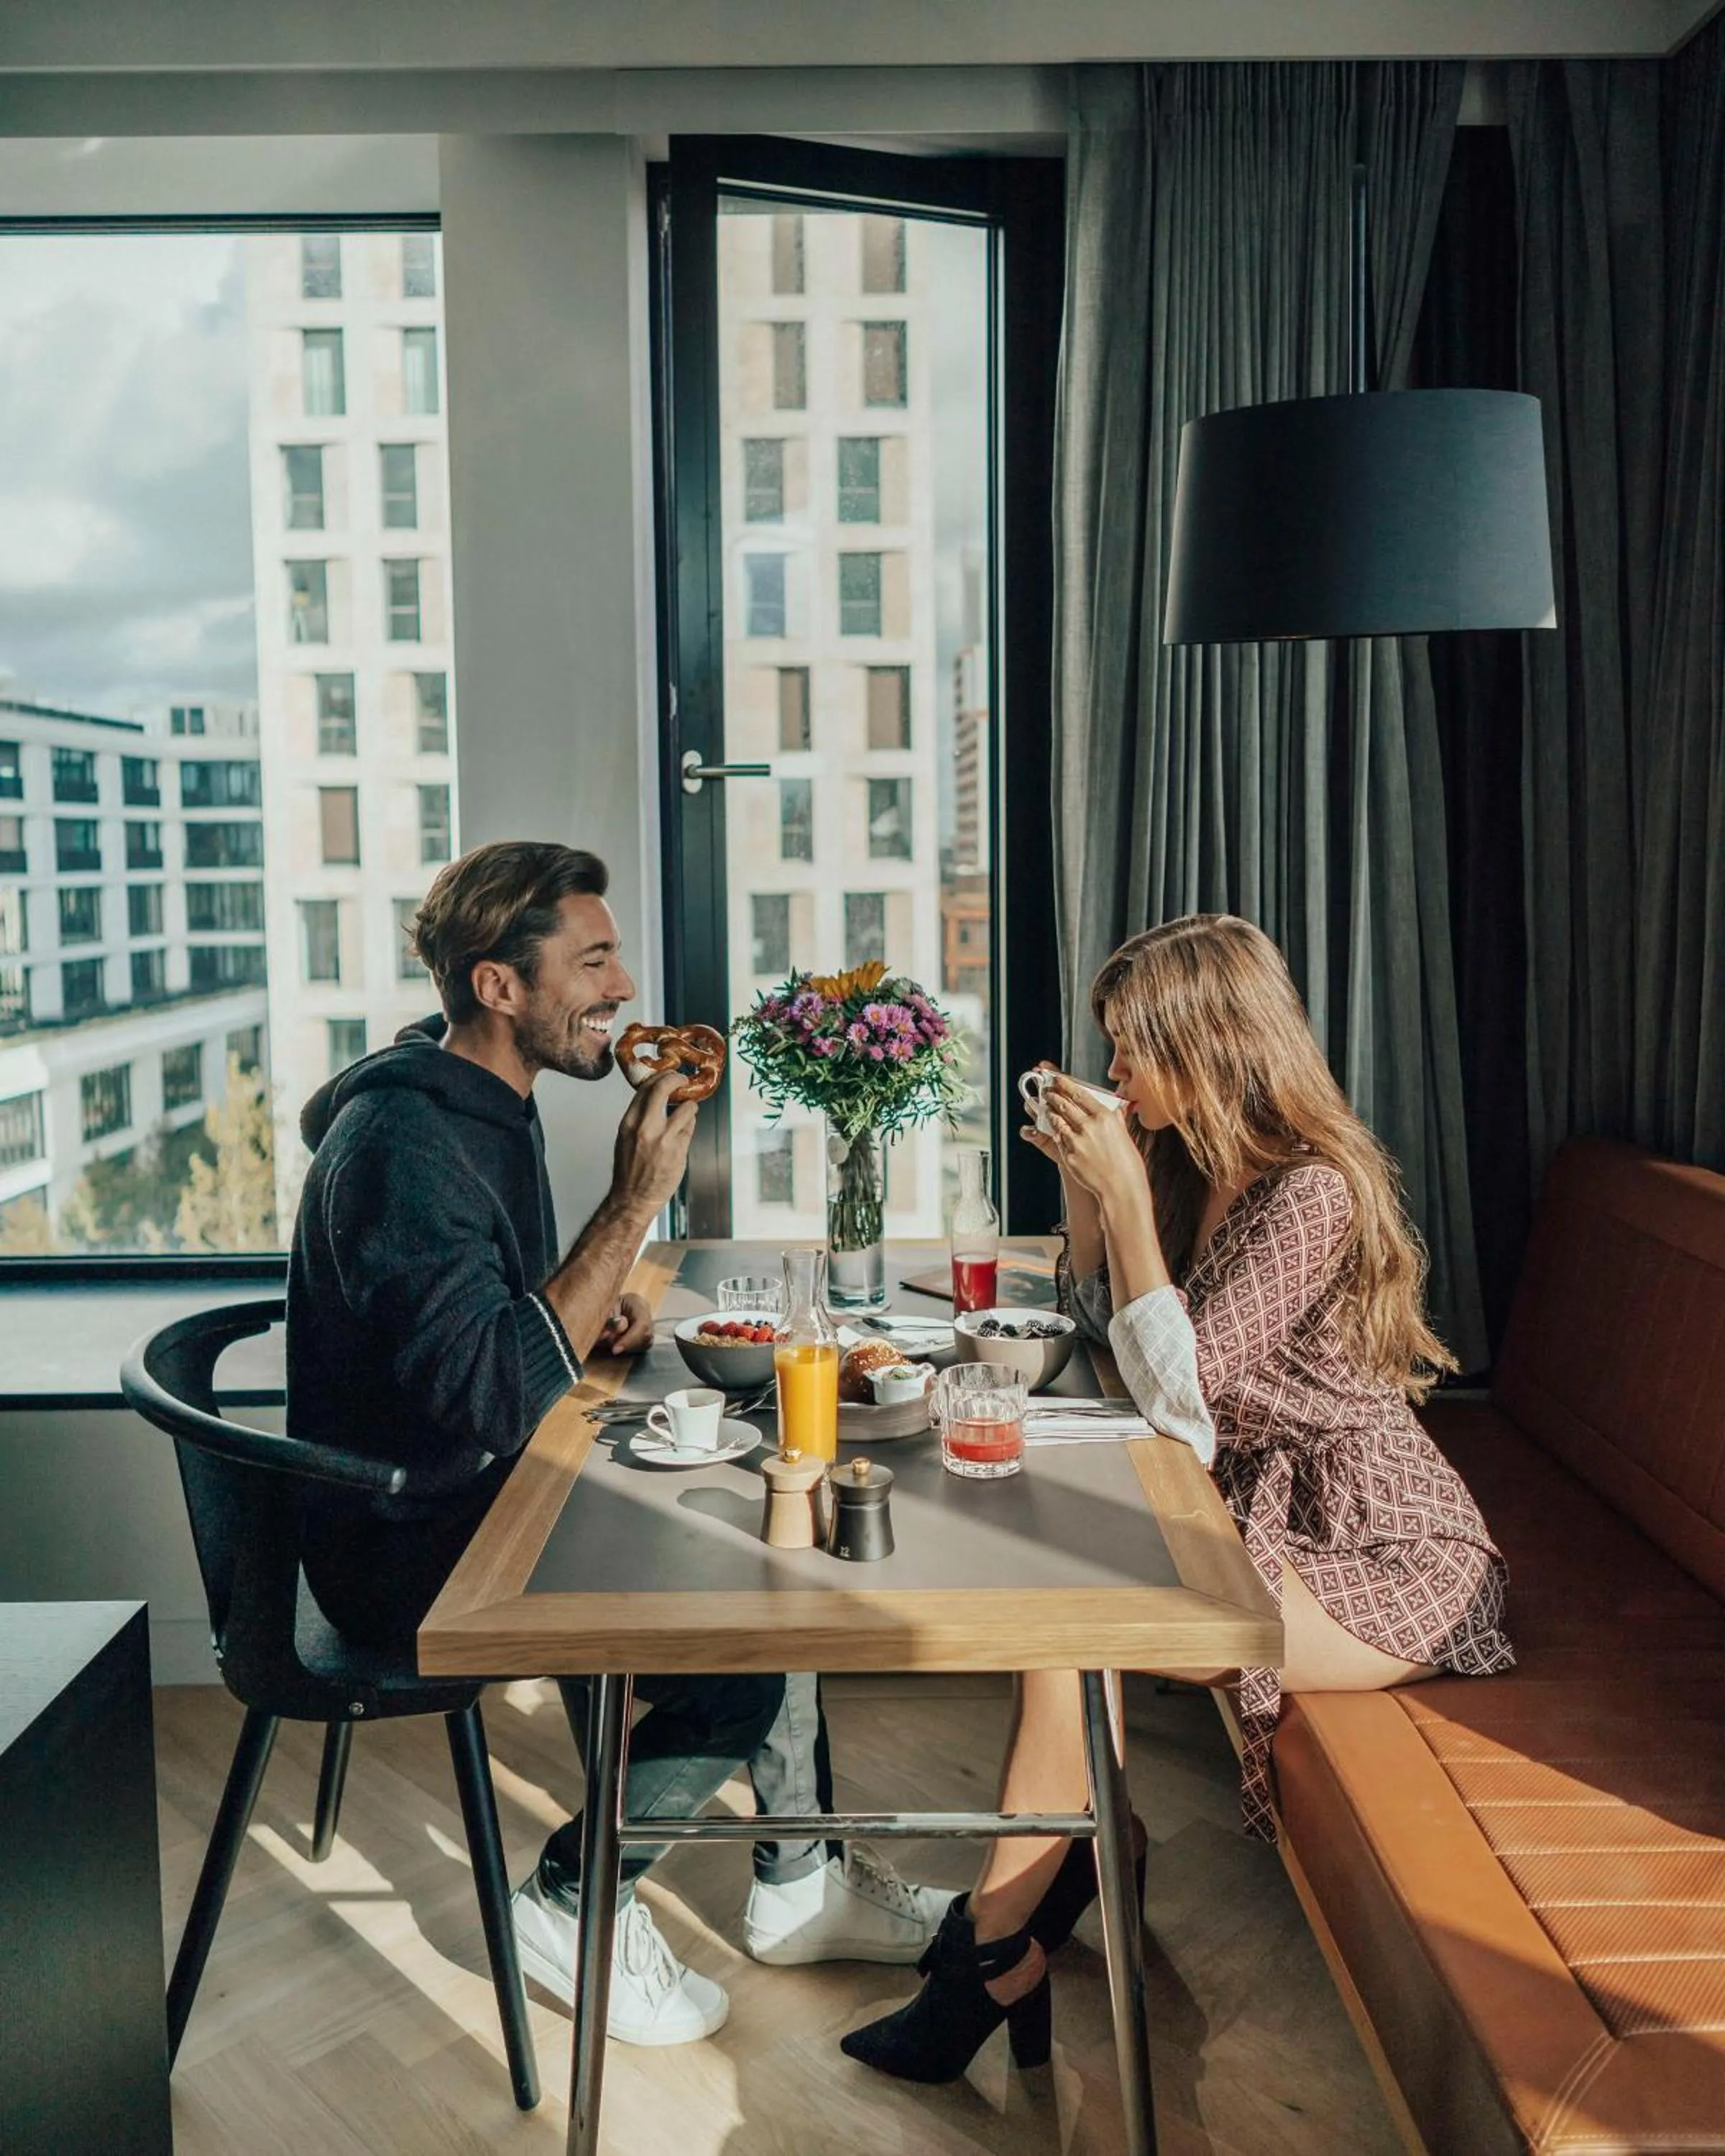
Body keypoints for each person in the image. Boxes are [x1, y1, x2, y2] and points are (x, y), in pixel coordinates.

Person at [288, 839, 948, 2050]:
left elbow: (488, 1324)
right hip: (409, 1543)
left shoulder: (486, 1104)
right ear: (500, 986)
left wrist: (588, 1303)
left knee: (771, 1540)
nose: (626, 989)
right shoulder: (405, 1149)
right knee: (743, 1642)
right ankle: (573, 1897)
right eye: (593, 961)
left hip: (487, 1489)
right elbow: (492, 1395)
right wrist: (633, 1205)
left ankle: (799, 1882)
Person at [842, 912, 1512, 2084]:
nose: (1114, 1079)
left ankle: (997, 1948)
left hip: (1384, 1549)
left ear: (1206, 1044)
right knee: (1066, 1621)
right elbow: (1111, 1333)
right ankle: (1069, 1874)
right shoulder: (1204, 1167)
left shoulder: (1313, 1195)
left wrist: (1130, 1206)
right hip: (1267, 1514)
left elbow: (1179, 1399)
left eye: (1130, 1053)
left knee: (1075, 1633)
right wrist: (1093, 1195)